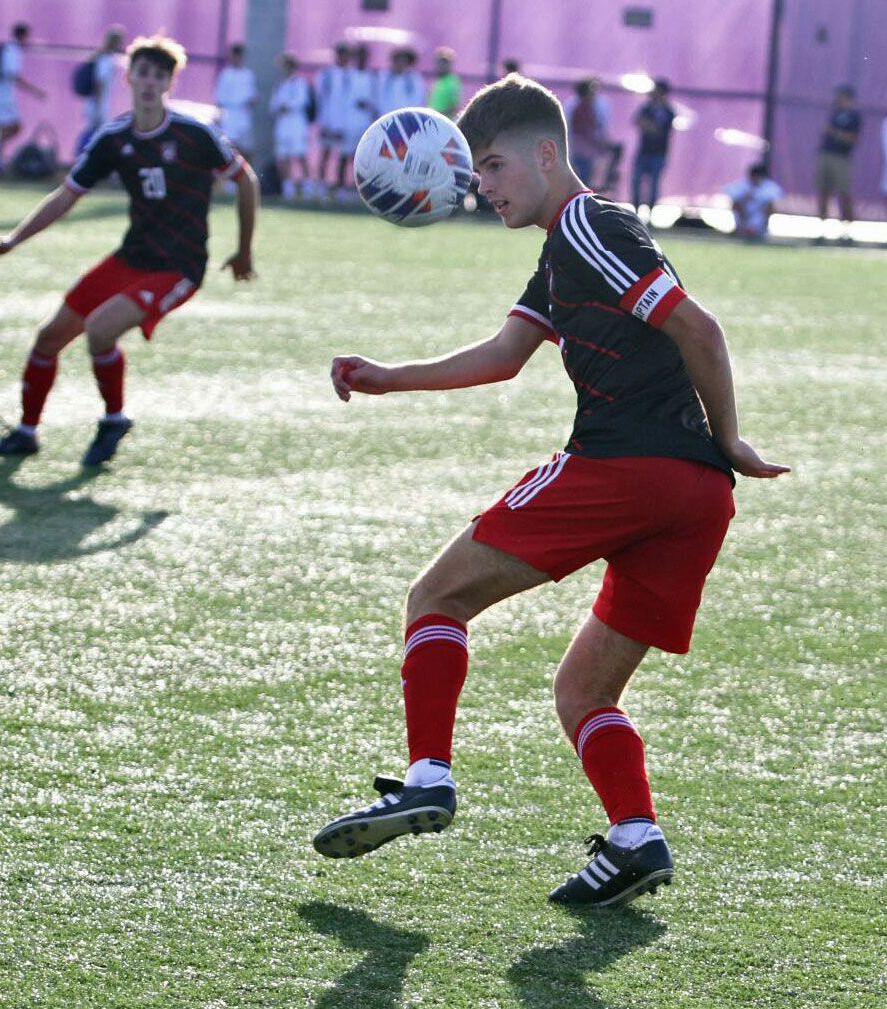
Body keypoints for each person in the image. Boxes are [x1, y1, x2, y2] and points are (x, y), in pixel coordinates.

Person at [314, 73, 789, 908]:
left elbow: (698, 327)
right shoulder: (564, 247)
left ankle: (428, 777)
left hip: (624, 470)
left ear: (545, 153)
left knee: (435, 597)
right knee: (584, 691)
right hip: (694, 503)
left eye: (492, 166)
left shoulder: (586, 224)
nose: (480, 186)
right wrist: (387, 378)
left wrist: (729, 436)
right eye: (473, 170)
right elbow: (502, 355)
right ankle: (637, 838)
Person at [0, 35, 259, 466]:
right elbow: (66, 196)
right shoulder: (113, 138)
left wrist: (243, 252)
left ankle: (114, 419)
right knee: (49, 338)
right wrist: (12, 240)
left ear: (171, 82)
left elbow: (247, 181)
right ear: (128, 77)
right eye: (143, 72)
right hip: (132, 256)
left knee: (100, 329)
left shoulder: (194, 134)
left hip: (179, 267)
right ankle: (26, 432)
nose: (150, 82)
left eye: (159, 75)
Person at [0, 23, 47, 174]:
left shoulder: (9, 48)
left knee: (5, 129)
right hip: (3, 95)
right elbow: (13, 75)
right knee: (15, 127)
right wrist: (35, 91)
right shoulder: (12, 50)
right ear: (22, 35)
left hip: (1, 93)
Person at [815, 84, 861, 238]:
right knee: (823, 192)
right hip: (825, 155)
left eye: (840, 96)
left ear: (848, 98)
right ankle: (821, 230)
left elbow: (853, 139)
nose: (837, 99)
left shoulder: (855, 116)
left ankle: (846, 231)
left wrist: (833, 132)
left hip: (841, 159)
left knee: (843, 194)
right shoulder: (834, 113)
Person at [76, 25, 126, 155]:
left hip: (94, 102)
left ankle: (84, 154)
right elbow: (100, 82)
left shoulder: (100, 57)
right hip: (97, 103)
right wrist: (98, 104)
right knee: (98, 131)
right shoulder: (106, 59)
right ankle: (81, 154)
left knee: (93, 130)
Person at [269, 53, 313, 201]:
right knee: (284, 156)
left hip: (296, 123)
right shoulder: (279, 84)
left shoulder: (299, 83)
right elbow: (273, 105)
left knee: (300, 155)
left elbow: (302, 101)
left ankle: (308, 188)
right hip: (283, 124)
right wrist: (279, 108)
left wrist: (286, 106)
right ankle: (288, 189)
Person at [336, 45, 378, 201]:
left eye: (363, 56)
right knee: (343, 156)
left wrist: (368, 105)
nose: (360, 59)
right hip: (348, 122)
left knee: (361, 158)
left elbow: (375, 100)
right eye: (358, 56)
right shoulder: (347, 75)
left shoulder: (371, 76)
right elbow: (341, 100)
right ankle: (341, 188)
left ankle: (359, 189)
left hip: (364, 123)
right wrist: (338, 124)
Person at [313, 42, 353, 199]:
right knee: (326, 153)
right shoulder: (327, 74)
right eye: (341, 54)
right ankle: (321, 185)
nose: (343, 58)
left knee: (343, 156)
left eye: (346, 55)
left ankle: (340, 188)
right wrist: (323, 121)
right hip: (328, 119)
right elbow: (321, 98)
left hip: (346, 121)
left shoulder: (352, 75)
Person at [630, 79, 675, 218]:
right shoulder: (647, 108)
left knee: (653, 186)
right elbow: (636, 121)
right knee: (636, 182)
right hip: (643, 152)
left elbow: (658, 130)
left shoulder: (668, 111)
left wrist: (647, 125)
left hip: (658, 154)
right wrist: (649, 126)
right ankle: (636, 212)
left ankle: (650, 215)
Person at [214, 43, 258, 162]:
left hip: (244, 117)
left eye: (239, 56)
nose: (236, 59)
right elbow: (219, 99)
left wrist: (253, 100)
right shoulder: (225, 75)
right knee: (230, 147)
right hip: (229, 117)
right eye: (234, 56)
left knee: (246, 151)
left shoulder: (248, 75)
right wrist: (218, 116)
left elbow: (253, 97)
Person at [563, 78, 609, 186]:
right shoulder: (577, 107)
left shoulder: (594, 105)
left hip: (587, 148)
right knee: (583, 178)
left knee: (587, 176)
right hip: (581, 148)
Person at [723, 163, 783, 241]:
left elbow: (770, 207)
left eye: (758, 176)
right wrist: (743, 220)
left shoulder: (770, 188)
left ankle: (758, 230)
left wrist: (761, 222)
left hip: (759, 217)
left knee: (760, 217)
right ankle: (741, 229)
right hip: (743, 216)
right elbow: (735, 204)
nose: (755, 178)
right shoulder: (740, 185)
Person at [379, 46, 425, 117]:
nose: (400, 63)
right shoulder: (385, 78)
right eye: (397, 60)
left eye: (402, 60)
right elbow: (382, 98)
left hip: (408, 117)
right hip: (388, 116)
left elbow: (418, 98)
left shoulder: (414, 78)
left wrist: (410, 115)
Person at [428, 47, 462, 120]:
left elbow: (453, 106)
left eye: (445, 62)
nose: (441, 65)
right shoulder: (437, 81)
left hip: (444, 122)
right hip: (434, 121)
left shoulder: (452, 81)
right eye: (439, 61)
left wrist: (438, 116)